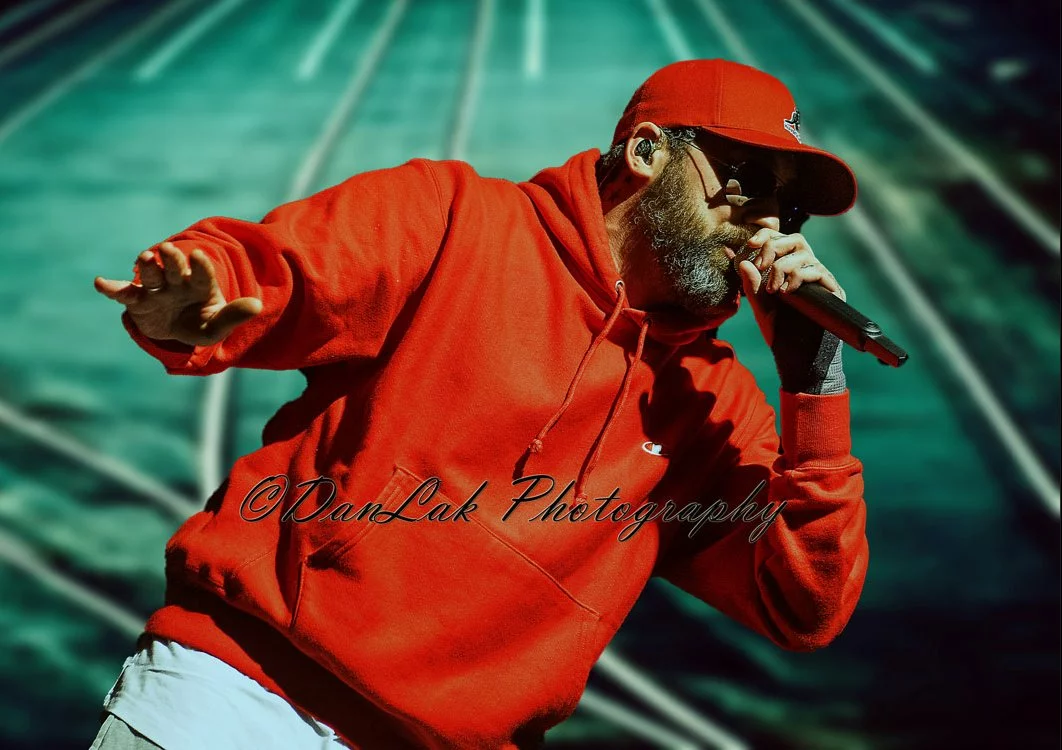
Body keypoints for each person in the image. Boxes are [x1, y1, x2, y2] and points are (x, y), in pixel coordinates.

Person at [90, 59, 869, 749]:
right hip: (230, 696)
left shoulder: (709, 400)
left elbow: (806, 605)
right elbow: (276, 269)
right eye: (747, 178)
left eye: (789, 206)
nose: (768, 220)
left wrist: (816, 384)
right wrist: (198, 299)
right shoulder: (454, 217)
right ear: (646, 153)